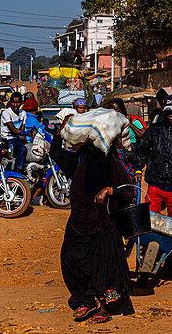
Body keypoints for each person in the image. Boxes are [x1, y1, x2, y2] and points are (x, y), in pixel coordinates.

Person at [49, 131, 135, 323]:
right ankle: (84, 300)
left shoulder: (111, 162)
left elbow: (129, 189)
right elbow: (55, 152)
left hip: (102, 223)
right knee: (70, 258)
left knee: (99, 265)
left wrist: (109, 190)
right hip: (79, 221)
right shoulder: (79, 163)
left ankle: (103, 307)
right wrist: (61, 130)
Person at [0, 92, 29, 171]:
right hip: (8, 140)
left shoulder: (23, 113)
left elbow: (22, 129)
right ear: (10, 102)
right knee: (22, 149)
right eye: (13, 102)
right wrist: (25, 133)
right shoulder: (6, 113)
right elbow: (13, 129)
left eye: (18, 102)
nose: (15, 105)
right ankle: (18, 171)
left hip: (17, 139)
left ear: (21, 103)